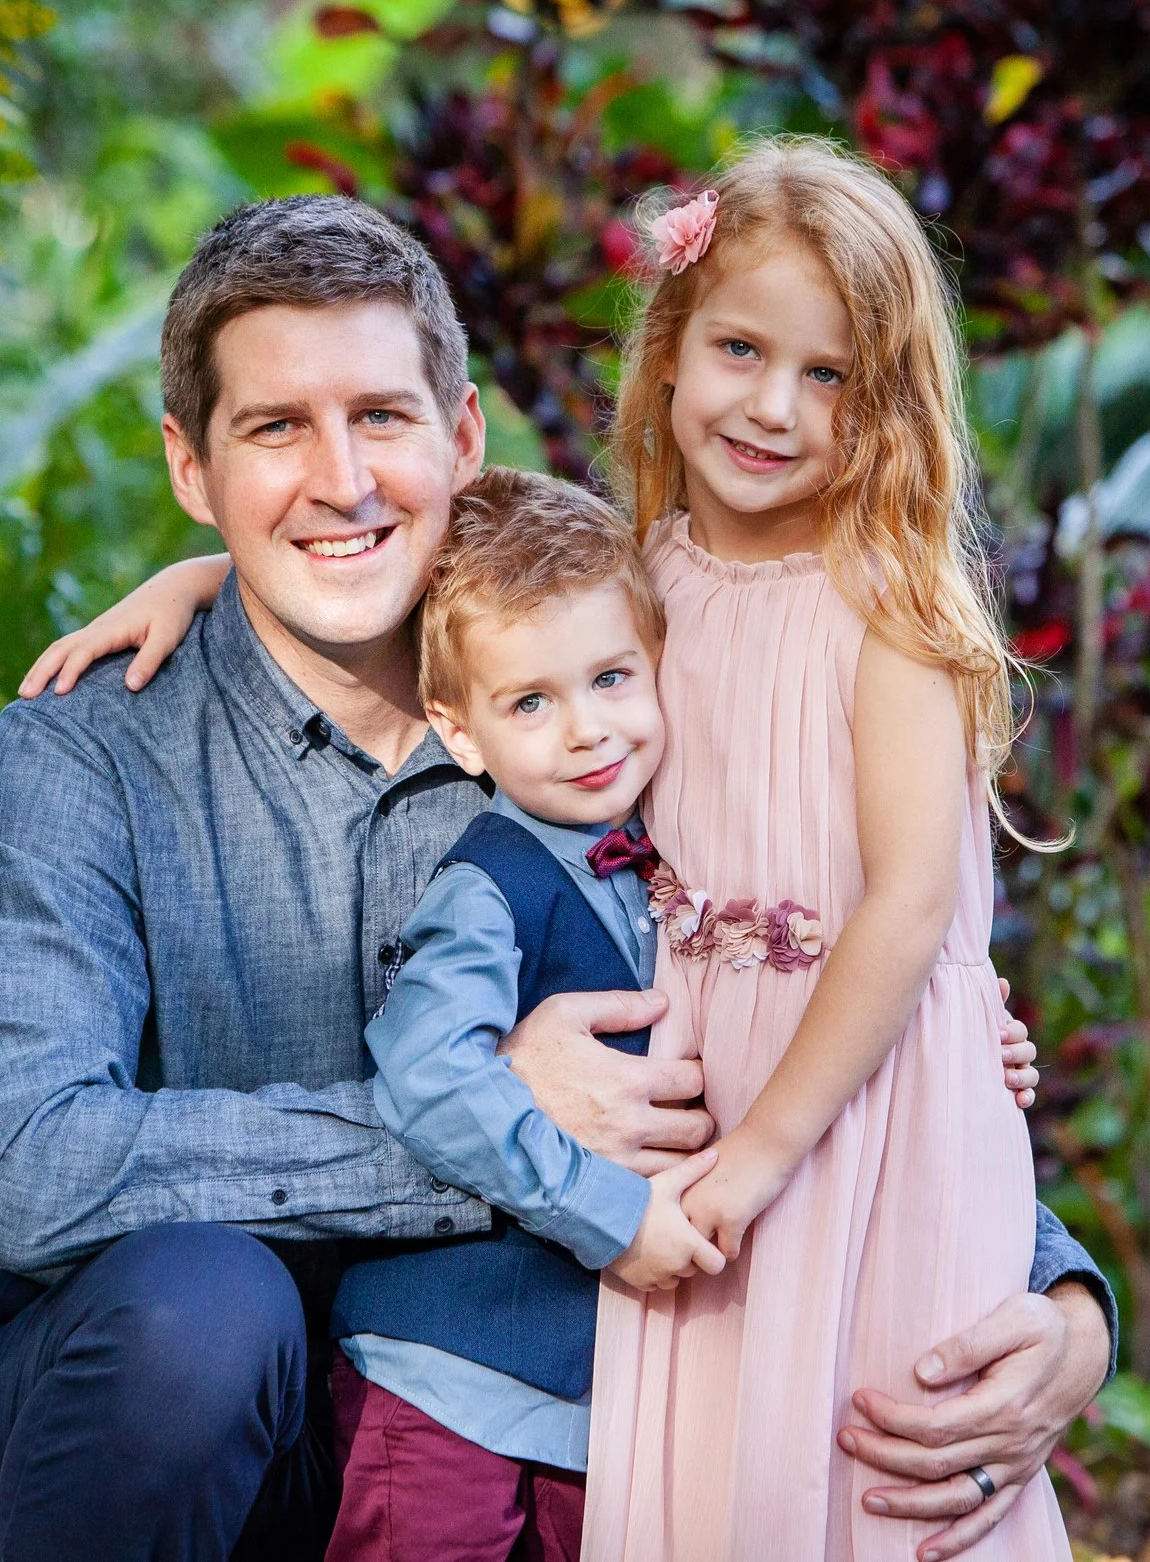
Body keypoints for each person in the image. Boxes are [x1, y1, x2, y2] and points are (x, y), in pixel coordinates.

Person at [0, 190, 1114, 1562]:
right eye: (273, 429)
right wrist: (502, 1125)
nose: (340, 478)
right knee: (205, 1313)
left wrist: (1063, 1303)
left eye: (380, 417)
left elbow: (770, 986)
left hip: (469, 1416)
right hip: (142, 1429)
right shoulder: (82, 751)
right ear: (191, 465)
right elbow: (37, 1168)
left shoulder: (583, 711)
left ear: (462, 438)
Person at [325, 468, 722, 1562]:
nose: (587, 730)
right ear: (461, 732)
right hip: (444, 1376)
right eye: (530, 703)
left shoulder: (689, 853)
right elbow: (428, 1075)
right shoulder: (485, 887)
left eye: (611, 678)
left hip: (594, 1393)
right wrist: (611, 1213)